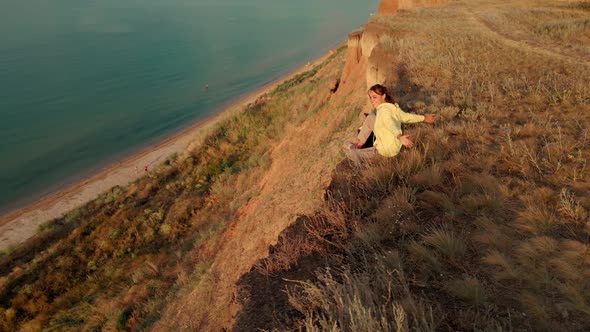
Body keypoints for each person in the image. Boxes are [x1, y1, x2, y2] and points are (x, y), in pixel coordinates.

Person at [347, 84, 435, 160]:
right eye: (370, 97)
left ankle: (362, 152)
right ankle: (359, 144)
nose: (371, 100)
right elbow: (406, 117)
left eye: (374, 97)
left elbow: (390, 124)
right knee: (370, 118)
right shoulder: (392, 107)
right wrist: (424, 118)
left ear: (384, 96)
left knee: (350, 153)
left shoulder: (384, 112)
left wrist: (399, 137)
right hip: (390, 143)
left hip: (385, 151)